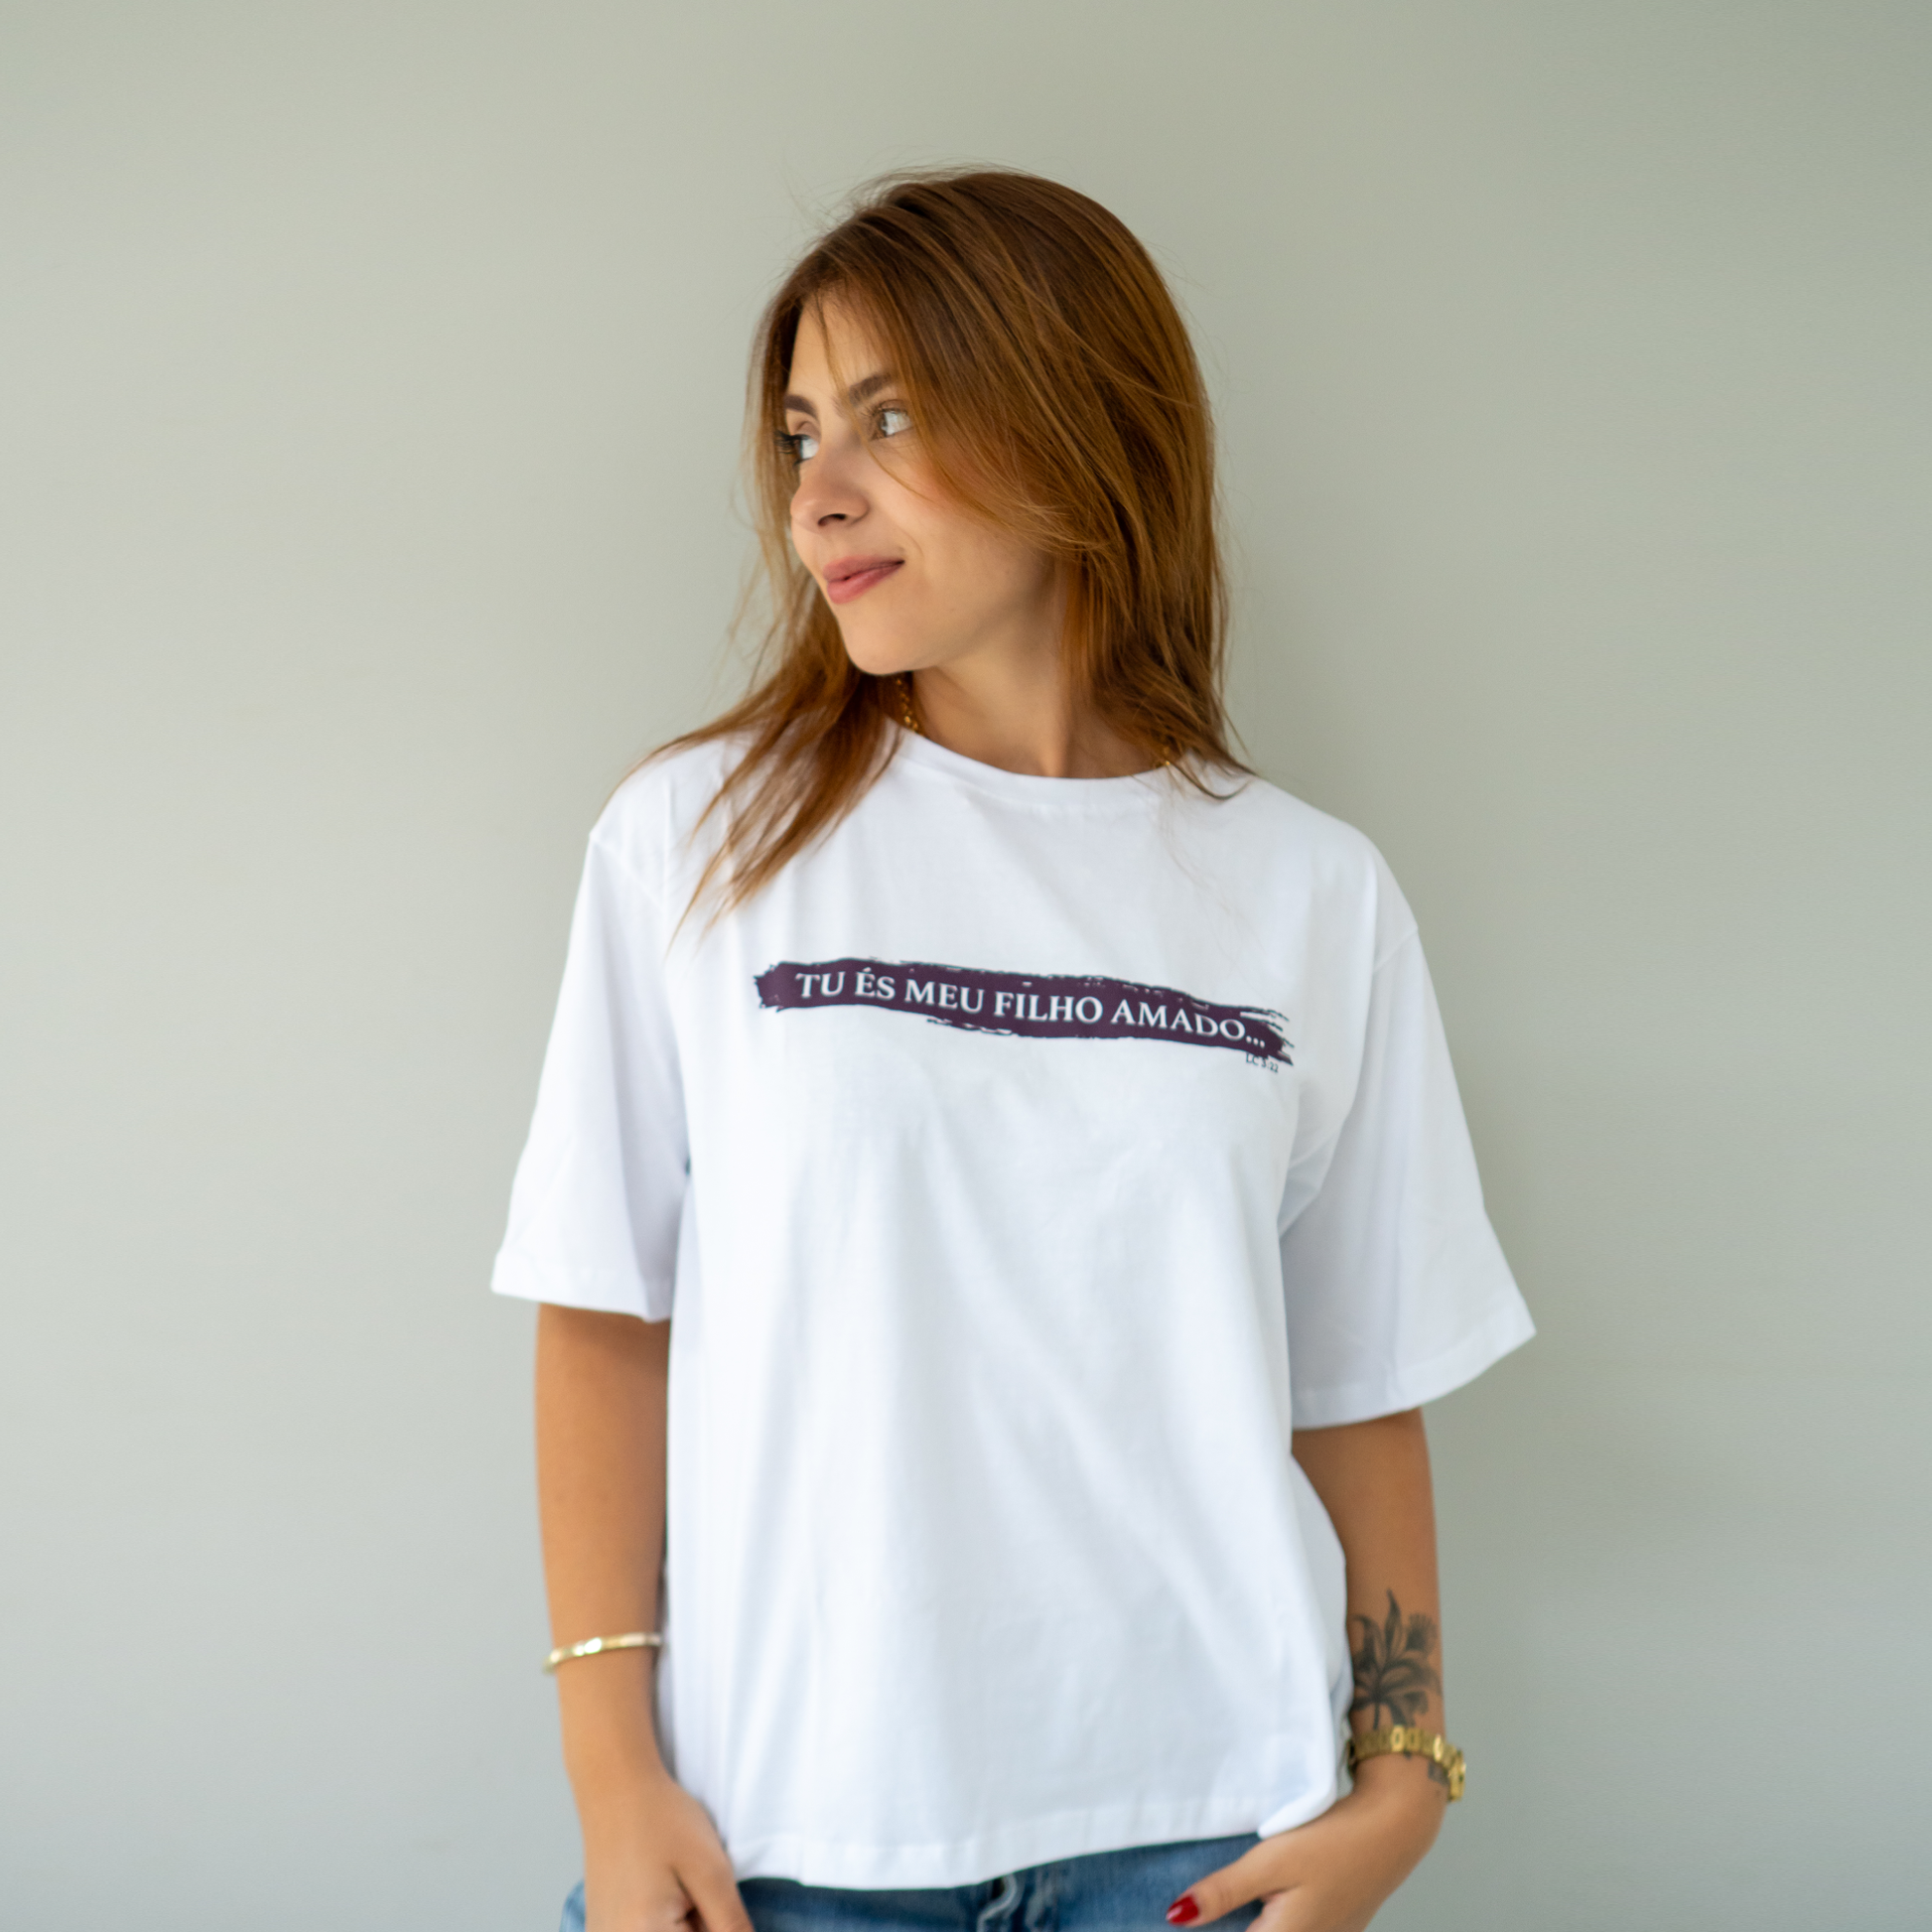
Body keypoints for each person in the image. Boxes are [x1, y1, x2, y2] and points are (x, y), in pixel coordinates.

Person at [492, 167, 1533, 1932]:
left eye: (888, 417)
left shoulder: (1310, 893)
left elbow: (1360, 1376)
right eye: (800, 433)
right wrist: (612, 1769)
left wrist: (1405, 1776)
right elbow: (602, 1310)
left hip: (1211, 1836)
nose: (818, 493)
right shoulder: (698, 842)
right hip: (786, 1843)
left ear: (1075, 423)